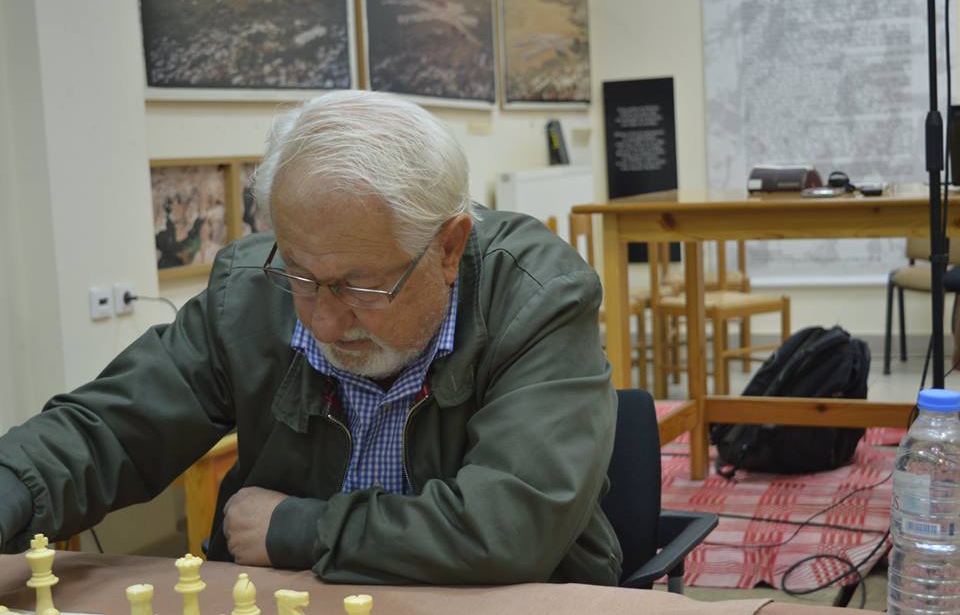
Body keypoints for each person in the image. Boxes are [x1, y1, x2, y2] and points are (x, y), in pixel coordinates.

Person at [0, 91, 621, 585]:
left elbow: (509, 527)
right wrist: (10, 485)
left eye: (360, 287)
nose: (323, 321)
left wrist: (297, 528)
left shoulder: (538, 298)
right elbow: (110, 428)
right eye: (300, 274)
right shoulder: (248, 292)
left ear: (449, 248)